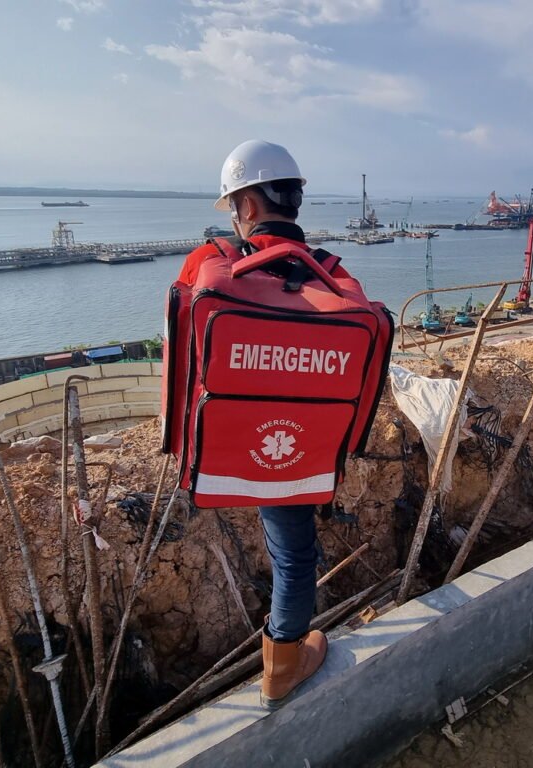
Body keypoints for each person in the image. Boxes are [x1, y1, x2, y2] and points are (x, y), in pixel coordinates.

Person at [175, 140, 348, 709]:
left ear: (247, 205)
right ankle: (282, 666)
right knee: (294, 556)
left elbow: (182, 354)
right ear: (294, 201)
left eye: (233, 206)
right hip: (301, 447)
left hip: (218, 448)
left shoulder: (207, 263)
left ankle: (278, 669)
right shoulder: (332, 275)